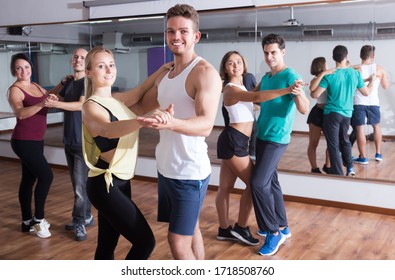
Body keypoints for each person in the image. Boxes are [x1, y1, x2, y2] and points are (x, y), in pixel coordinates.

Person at [136, 4, 222, 260]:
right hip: (167, 168)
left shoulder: (205, 73)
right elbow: (141, 105)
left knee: (177, 241)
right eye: (171, 31)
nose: (176, 37)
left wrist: (169, 123)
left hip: (189, 172)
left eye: (183, 31)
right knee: (191, 227)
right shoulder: (166, 74)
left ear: (195, 36)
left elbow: (206, 124)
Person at [81, 46, 172, 259]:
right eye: (101, 66)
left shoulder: (117, 100)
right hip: (104, 184)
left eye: (111, 65)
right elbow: (108, 130)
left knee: (106, 246)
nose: (108, 70)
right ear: (89, 73)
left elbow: (141, 90)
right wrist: (142, 120)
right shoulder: (90, 106)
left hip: (121, 181)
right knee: (145, 242)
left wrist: (161, 70)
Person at [215, 50, 301, 246]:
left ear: (244, 65)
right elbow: (260, 97)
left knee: (225, 187)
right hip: (233, 142)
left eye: (238, 61)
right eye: (230, 63)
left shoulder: (243, 87)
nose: (235, 66)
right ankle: (241, 227)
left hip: (234, 141)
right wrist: (287, 90)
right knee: (255, 184)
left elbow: (257, 96)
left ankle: (224, 229)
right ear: (225, 68)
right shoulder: (231, 89)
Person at [250, 33, 310, 256]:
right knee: (271, 182)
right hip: (263, 135)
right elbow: (254, 98)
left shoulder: (290, 75)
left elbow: (304, 108)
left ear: (282, 52)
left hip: (277, 138)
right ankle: (283, 226)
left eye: (273, 52)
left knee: (258, 182)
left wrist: (296, 92)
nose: (269, 56)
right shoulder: (266, 77)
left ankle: (273, 231)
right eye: (266, 53)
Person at [44, 48, 94, 242]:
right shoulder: (71, 82)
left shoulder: (87, 82)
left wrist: (57, 105)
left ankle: (79, 221)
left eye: (82, 58)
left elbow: (80, 105)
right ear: (71, 60)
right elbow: (66, 100)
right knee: (77, 184)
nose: (78, 60)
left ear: (87, 62)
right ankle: (86, 216)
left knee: (80, 187)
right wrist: (58, 98)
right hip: (69, 139)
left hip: (82, 140)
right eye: (76, 57)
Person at [7, 53, 54, 238]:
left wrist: (62, 84)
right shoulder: (15, 90)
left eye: (26, 67)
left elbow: (48, 96)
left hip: (36, 140)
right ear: (14, 70)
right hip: (23, 141)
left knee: (28, 180)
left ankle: (26, 221)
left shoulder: (35, 86)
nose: (23, 71)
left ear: (31, 68)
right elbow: (20, 113)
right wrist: (42, 103)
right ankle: (38, 220)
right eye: (18, 68)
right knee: (47, 176)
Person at [311, 45, 374, 177]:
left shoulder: (330, 75)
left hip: (331, 114)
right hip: (347, 114)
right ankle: (350, 168)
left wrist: (322, 75)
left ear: (334, 58)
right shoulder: (355, 74)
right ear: (346, 56)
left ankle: (338, 174)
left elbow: (315, 95)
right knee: (344, 140)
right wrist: (372, 81)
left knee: (333, 144)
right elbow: (366, 92)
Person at [351, 45, 389, 165]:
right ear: (372, 56)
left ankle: (363, 157)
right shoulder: (380, 69)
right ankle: (378, 154)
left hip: (359, 102)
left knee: (360, 128)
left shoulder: (355, 69)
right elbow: (385, 86)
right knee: (376, 126)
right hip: (373, 102)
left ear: (361, 55)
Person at [307, 57, 333, 174]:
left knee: (330, 142)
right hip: (317, 113)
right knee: (314, 143)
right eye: (326, 64)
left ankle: (327, 165)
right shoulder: (316, 79)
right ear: (322, 66)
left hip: (329, 113)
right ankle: (314, 168)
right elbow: (312, 89)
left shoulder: (330, 77)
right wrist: (323, 73)